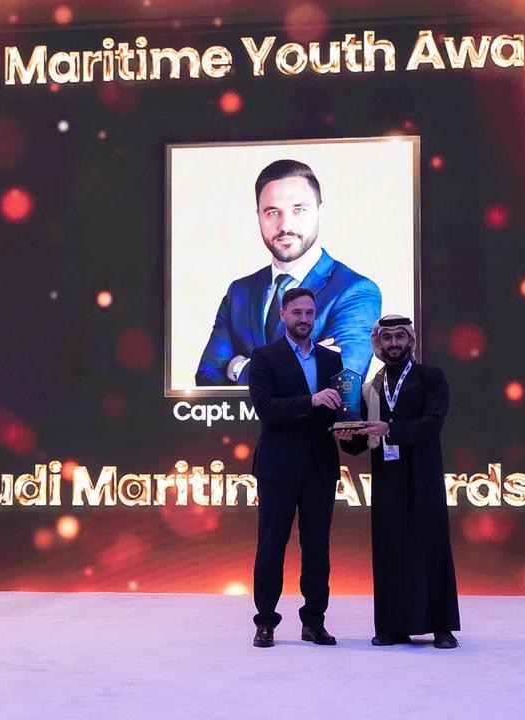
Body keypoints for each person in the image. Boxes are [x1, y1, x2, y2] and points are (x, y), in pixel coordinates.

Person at [195, 159, 381, 386]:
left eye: (298, 210)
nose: (285, 225)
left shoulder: (355, 292)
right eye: (272, 212)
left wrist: (238, 367)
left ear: (320, 213)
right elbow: (207, 375)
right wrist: (302, 364)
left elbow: (341, 381)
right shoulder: (240, 292)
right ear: (259, 216)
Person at [337, 315, 461, 649]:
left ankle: (441, 627)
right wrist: (347, 438)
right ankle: (392, 626)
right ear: (378, 344)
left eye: (399, 337)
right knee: (389, 546)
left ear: (410, 341)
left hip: (423, 472)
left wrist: (390, 429)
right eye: (387, 338)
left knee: (431, 543)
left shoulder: (431, 378)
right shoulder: (371, 388)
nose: (394, 344)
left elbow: (433, 422)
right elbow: (362, 441)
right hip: (387, 477)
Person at [247, 287, 344, 648]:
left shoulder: (331, 360)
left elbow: (339, 410)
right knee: (271, 545)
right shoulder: (264, 357)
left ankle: (314, 622)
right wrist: (311, 401)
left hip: (320, 464)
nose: (304, 319)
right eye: (297, 312)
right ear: (283, 315)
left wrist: (351, 424)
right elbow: (265, 407)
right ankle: (265, 623)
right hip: (278, 465)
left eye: (310, 313)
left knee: (317, 547)